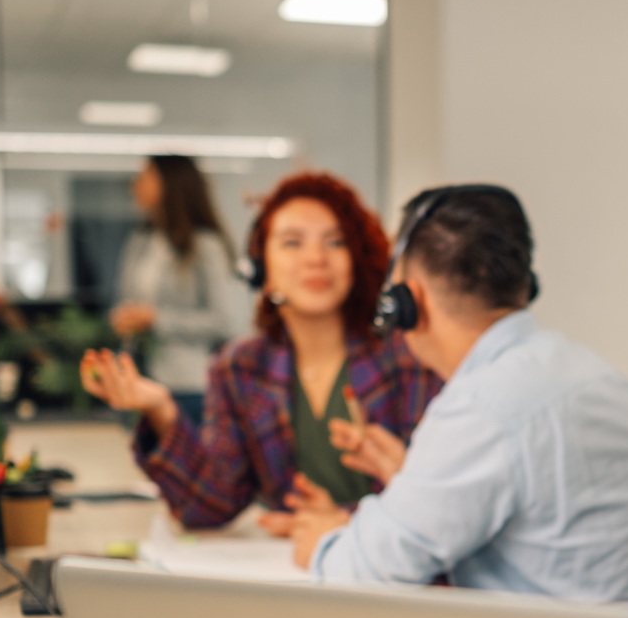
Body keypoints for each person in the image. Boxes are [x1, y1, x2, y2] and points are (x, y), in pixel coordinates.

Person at [290, 184, 628, 618]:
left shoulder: (483, 406)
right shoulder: (589, 372)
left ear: (407, 303)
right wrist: (411, 479)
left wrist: (325, 540)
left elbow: (359, 576)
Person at [79, 171, 439, 528]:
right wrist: (161, 410)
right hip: (288, 577)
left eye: (336, 242)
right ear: (260, 268)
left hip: (392, 574)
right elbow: (209, 504)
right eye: (292, 242)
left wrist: (345, 526)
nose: (316, 258)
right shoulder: (241, 368)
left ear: (357, 260)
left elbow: (444, 501)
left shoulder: (409, 357)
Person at [108, 155, 251, 426]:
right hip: (141, 378)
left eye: (145, 177)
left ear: (169, 184)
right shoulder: (140, 242)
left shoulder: (206, 246)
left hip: (189, 385)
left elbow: (225, 322)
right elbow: (125, 298)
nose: (135, 185)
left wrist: (156, 319)